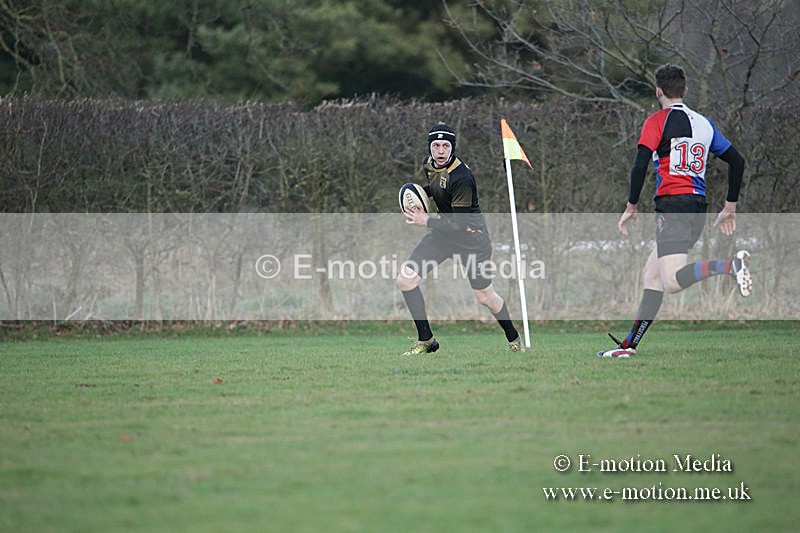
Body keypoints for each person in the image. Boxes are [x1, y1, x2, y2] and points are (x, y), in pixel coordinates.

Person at [598, 64, 751, 358]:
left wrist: (631, 205)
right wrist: (730, 205)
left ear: (658, 92)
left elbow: (640, 164)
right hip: (696, 207)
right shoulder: (704, 123)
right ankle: (628, 346)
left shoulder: (656, 121)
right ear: (685, 90)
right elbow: (737, 161)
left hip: (673, 206)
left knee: (671, 282)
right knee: (652, 274)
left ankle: (729, 266)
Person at [397, 123, 523, 355]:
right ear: (430, 147)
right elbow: (437, 188)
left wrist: (426, 220)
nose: (440, 150)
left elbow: (459, 224)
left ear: (452, 147)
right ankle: (427, 341)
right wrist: (416, 197)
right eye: (436, 145)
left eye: (445, 146)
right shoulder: (429, 164)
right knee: (406, 280)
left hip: (471, 240)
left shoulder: (462, 177)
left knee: (485, 296)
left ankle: (514, 339)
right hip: (443, 236)